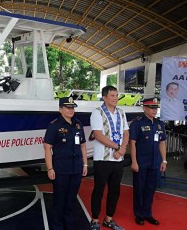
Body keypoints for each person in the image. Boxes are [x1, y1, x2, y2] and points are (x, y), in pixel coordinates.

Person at [43, 97, 88, 230]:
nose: (71, 110)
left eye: (72, 107)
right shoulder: (54, 125)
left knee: (71, 200)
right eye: (68, 107)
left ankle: (68, 225)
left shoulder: (78, 124)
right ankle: (57, 226)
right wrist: (50, 168)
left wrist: (85, 164)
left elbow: (83, 146)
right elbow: (47, 148)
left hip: (76, 169)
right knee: (59, 200)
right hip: (61, 170)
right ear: (60, 109)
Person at [89, 86, 129, 230]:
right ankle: (94, 220)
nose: (115, 98)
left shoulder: (121, 112)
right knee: (99, 190)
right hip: (103, 159)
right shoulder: (97, 113)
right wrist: (118, 148)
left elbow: (126, 133)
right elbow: (98, 135)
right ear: (105, 97)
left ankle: (109, 219)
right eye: (112, 95)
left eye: (116, 95)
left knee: (115, 190)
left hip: (118, 159)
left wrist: (123, 149)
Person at [129, 97, 167, 226]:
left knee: (151, 189)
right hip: (141, 163)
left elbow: (162, 142)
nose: (154, 110)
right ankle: (139, 214)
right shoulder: (137, 123)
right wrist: (133, 161)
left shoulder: (159, 124)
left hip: (155, 163)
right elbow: (132, 143)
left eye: (156, 108)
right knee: (139, 189)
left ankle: (147, 213)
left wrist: (164, 160)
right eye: (151, 108)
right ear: (144, 108)